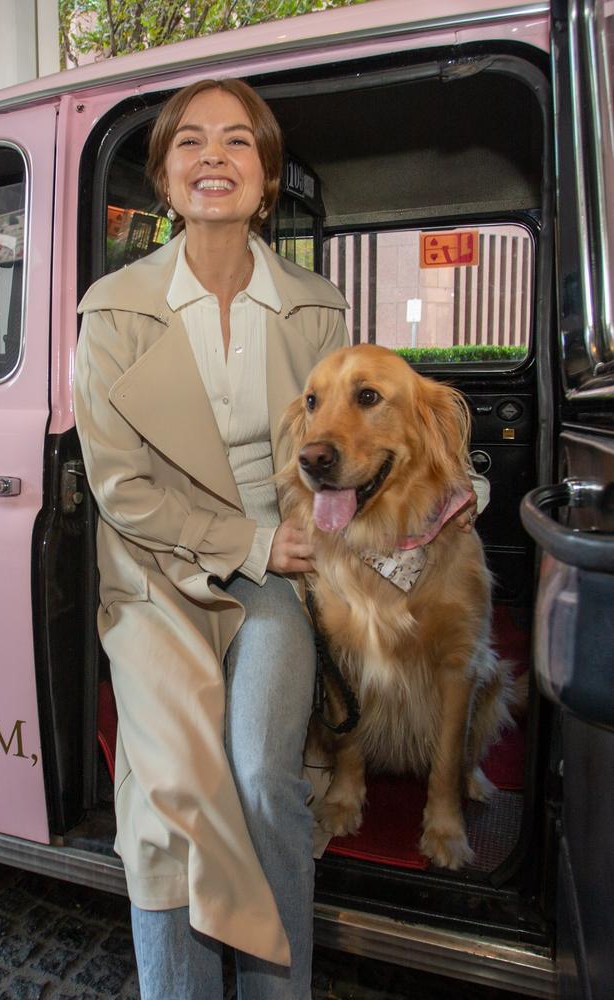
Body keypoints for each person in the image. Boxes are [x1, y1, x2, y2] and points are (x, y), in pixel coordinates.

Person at [73, 78, 482, 1000]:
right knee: (174, 793)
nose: (212, 156)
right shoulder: (112, 310)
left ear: (266, 180)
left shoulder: (314, 306)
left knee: (264, 773)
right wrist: (254, 545)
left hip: (283, 571)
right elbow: (118, 488)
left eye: (237, 143)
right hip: (159, 570)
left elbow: (370, 441)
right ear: (164, 177)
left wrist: (459, 490)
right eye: (189, 142)